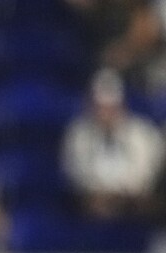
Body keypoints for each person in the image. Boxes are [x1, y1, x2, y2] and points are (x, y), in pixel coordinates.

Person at [62, 68, 164, 220]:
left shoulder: (143, 134)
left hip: (133, 205)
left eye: (110, 108)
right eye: (100, 108)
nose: (105, 114)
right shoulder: (78, 134)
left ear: (121, 106)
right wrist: (99, 193)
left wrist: (120, 194)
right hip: (92, 206)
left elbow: (144, 174)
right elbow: (77, 173)